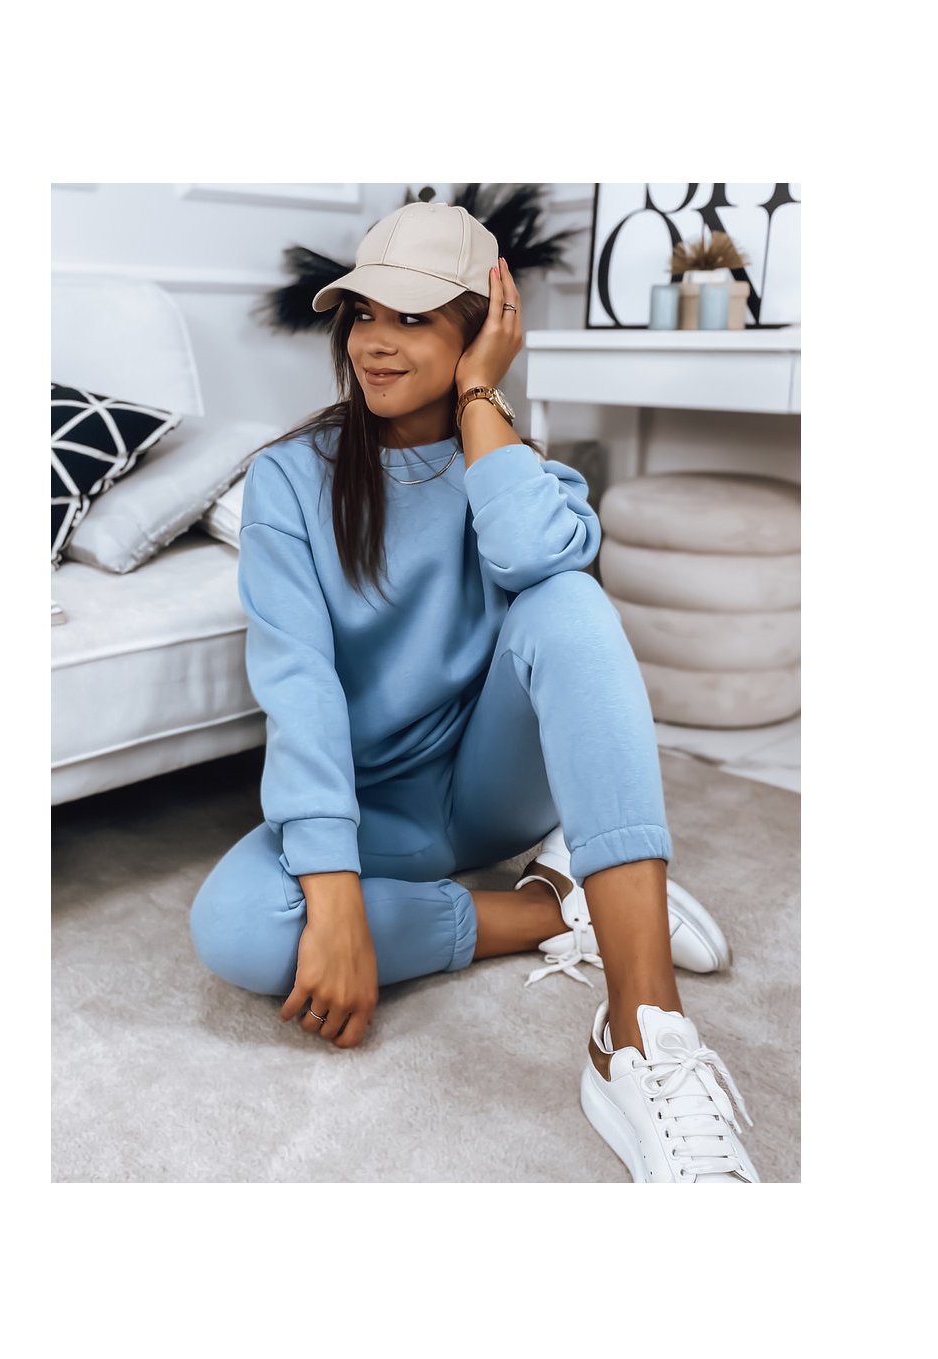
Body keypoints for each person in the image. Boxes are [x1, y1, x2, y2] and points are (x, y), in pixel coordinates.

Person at [189, 200, 758, 1183]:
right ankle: (565, 906)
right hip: (378, 805)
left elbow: (535, 560)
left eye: (412, 319)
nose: (375, 343)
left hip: (495, 788)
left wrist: (482, 399)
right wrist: (334, 896)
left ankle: (640, 1028)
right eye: (364, 314)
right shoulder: (288, 479)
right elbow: (299, 684)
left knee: (566, 601)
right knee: (237, 928)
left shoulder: (519, 473)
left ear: (481, 327)